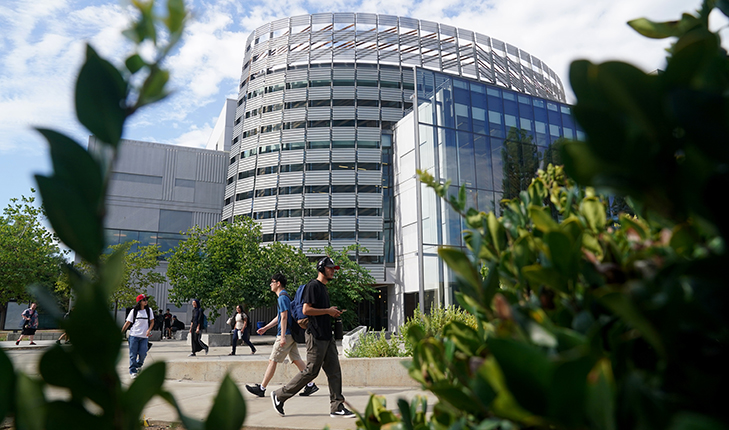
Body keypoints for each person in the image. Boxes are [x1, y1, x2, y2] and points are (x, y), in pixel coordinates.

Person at [270, 257, 353, 418]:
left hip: (326, 336)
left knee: (334, 371)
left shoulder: (323, 288)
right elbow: (307, 310)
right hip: (315, 336)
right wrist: (328, 311)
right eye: (330, 268)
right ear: (321, 269)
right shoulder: (313, 286)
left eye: (334, 269)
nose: (333, 271)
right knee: (310, 372)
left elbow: (320, 310)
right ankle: (280, 396)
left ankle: (337, 406)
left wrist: (331, 312)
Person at [246, 273, 318, 398]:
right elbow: (280, 316)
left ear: (278, 283)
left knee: (272, 361)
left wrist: (283, 336)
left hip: (285, 335)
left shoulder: (282, 297)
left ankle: (262, 388)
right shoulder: (284, 297)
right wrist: (266, 327)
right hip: (290, 335)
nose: (270, 284)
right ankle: (311, 385)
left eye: (272, 281)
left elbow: (284, 317)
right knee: (297, 360)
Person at [120, 294, 153, 379]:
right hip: (134, 335)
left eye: (146, 299)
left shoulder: (149, 310)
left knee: (143, 353)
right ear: (139, 302)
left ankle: (138, 365)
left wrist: (149, 330)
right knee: (133, 355)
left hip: (144, 337)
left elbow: (152, 321)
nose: (146, 301)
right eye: (144, 300)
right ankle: (133, 371)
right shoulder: (134, 311)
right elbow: (128, 323)